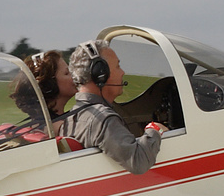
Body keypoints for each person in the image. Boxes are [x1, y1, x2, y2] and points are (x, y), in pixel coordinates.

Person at [59, 41, 166, 174]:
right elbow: (138, 161)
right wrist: (155, 129)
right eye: (117, 66)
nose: (122, 72)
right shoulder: (103, 119)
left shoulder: (71, 117)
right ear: (100, 75)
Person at [11, 50, 77, 125]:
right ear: (49, 84)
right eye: (67, 73)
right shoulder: (61, 128)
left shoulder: (38, 125)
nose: (74, 76)